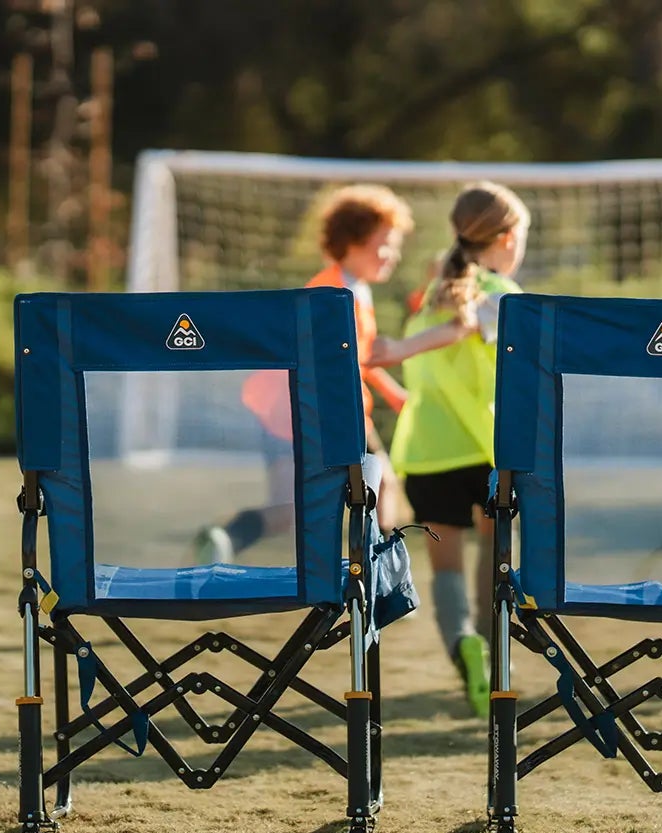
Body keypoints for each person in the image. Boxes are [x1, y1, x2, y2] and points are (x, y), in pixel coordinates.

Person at [365, 182, 530, 718]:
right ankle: (490, 650)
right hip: (485, 450)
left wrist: (400, 346)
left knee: (447, 568)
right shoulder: (501, 293)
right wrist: (401, 350)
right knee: (495, 557)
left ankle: (463, 651)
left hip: (426, 452)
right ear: (506, 238)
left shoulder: (434, 292)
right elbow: (469, 329)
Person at [199, 185, 414, 562]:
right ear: (352, 240)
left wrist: (391, 390)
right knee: (349, 495)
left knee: (357, 492)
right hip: (307, 411)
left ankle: (226, 537)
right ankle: (379, 573)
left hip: (303, 410)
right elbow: (326, 363)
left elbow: (357, 356)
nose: (393, 255)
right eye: (385, 243)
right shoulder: (331, 294)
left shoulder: (352, 287)